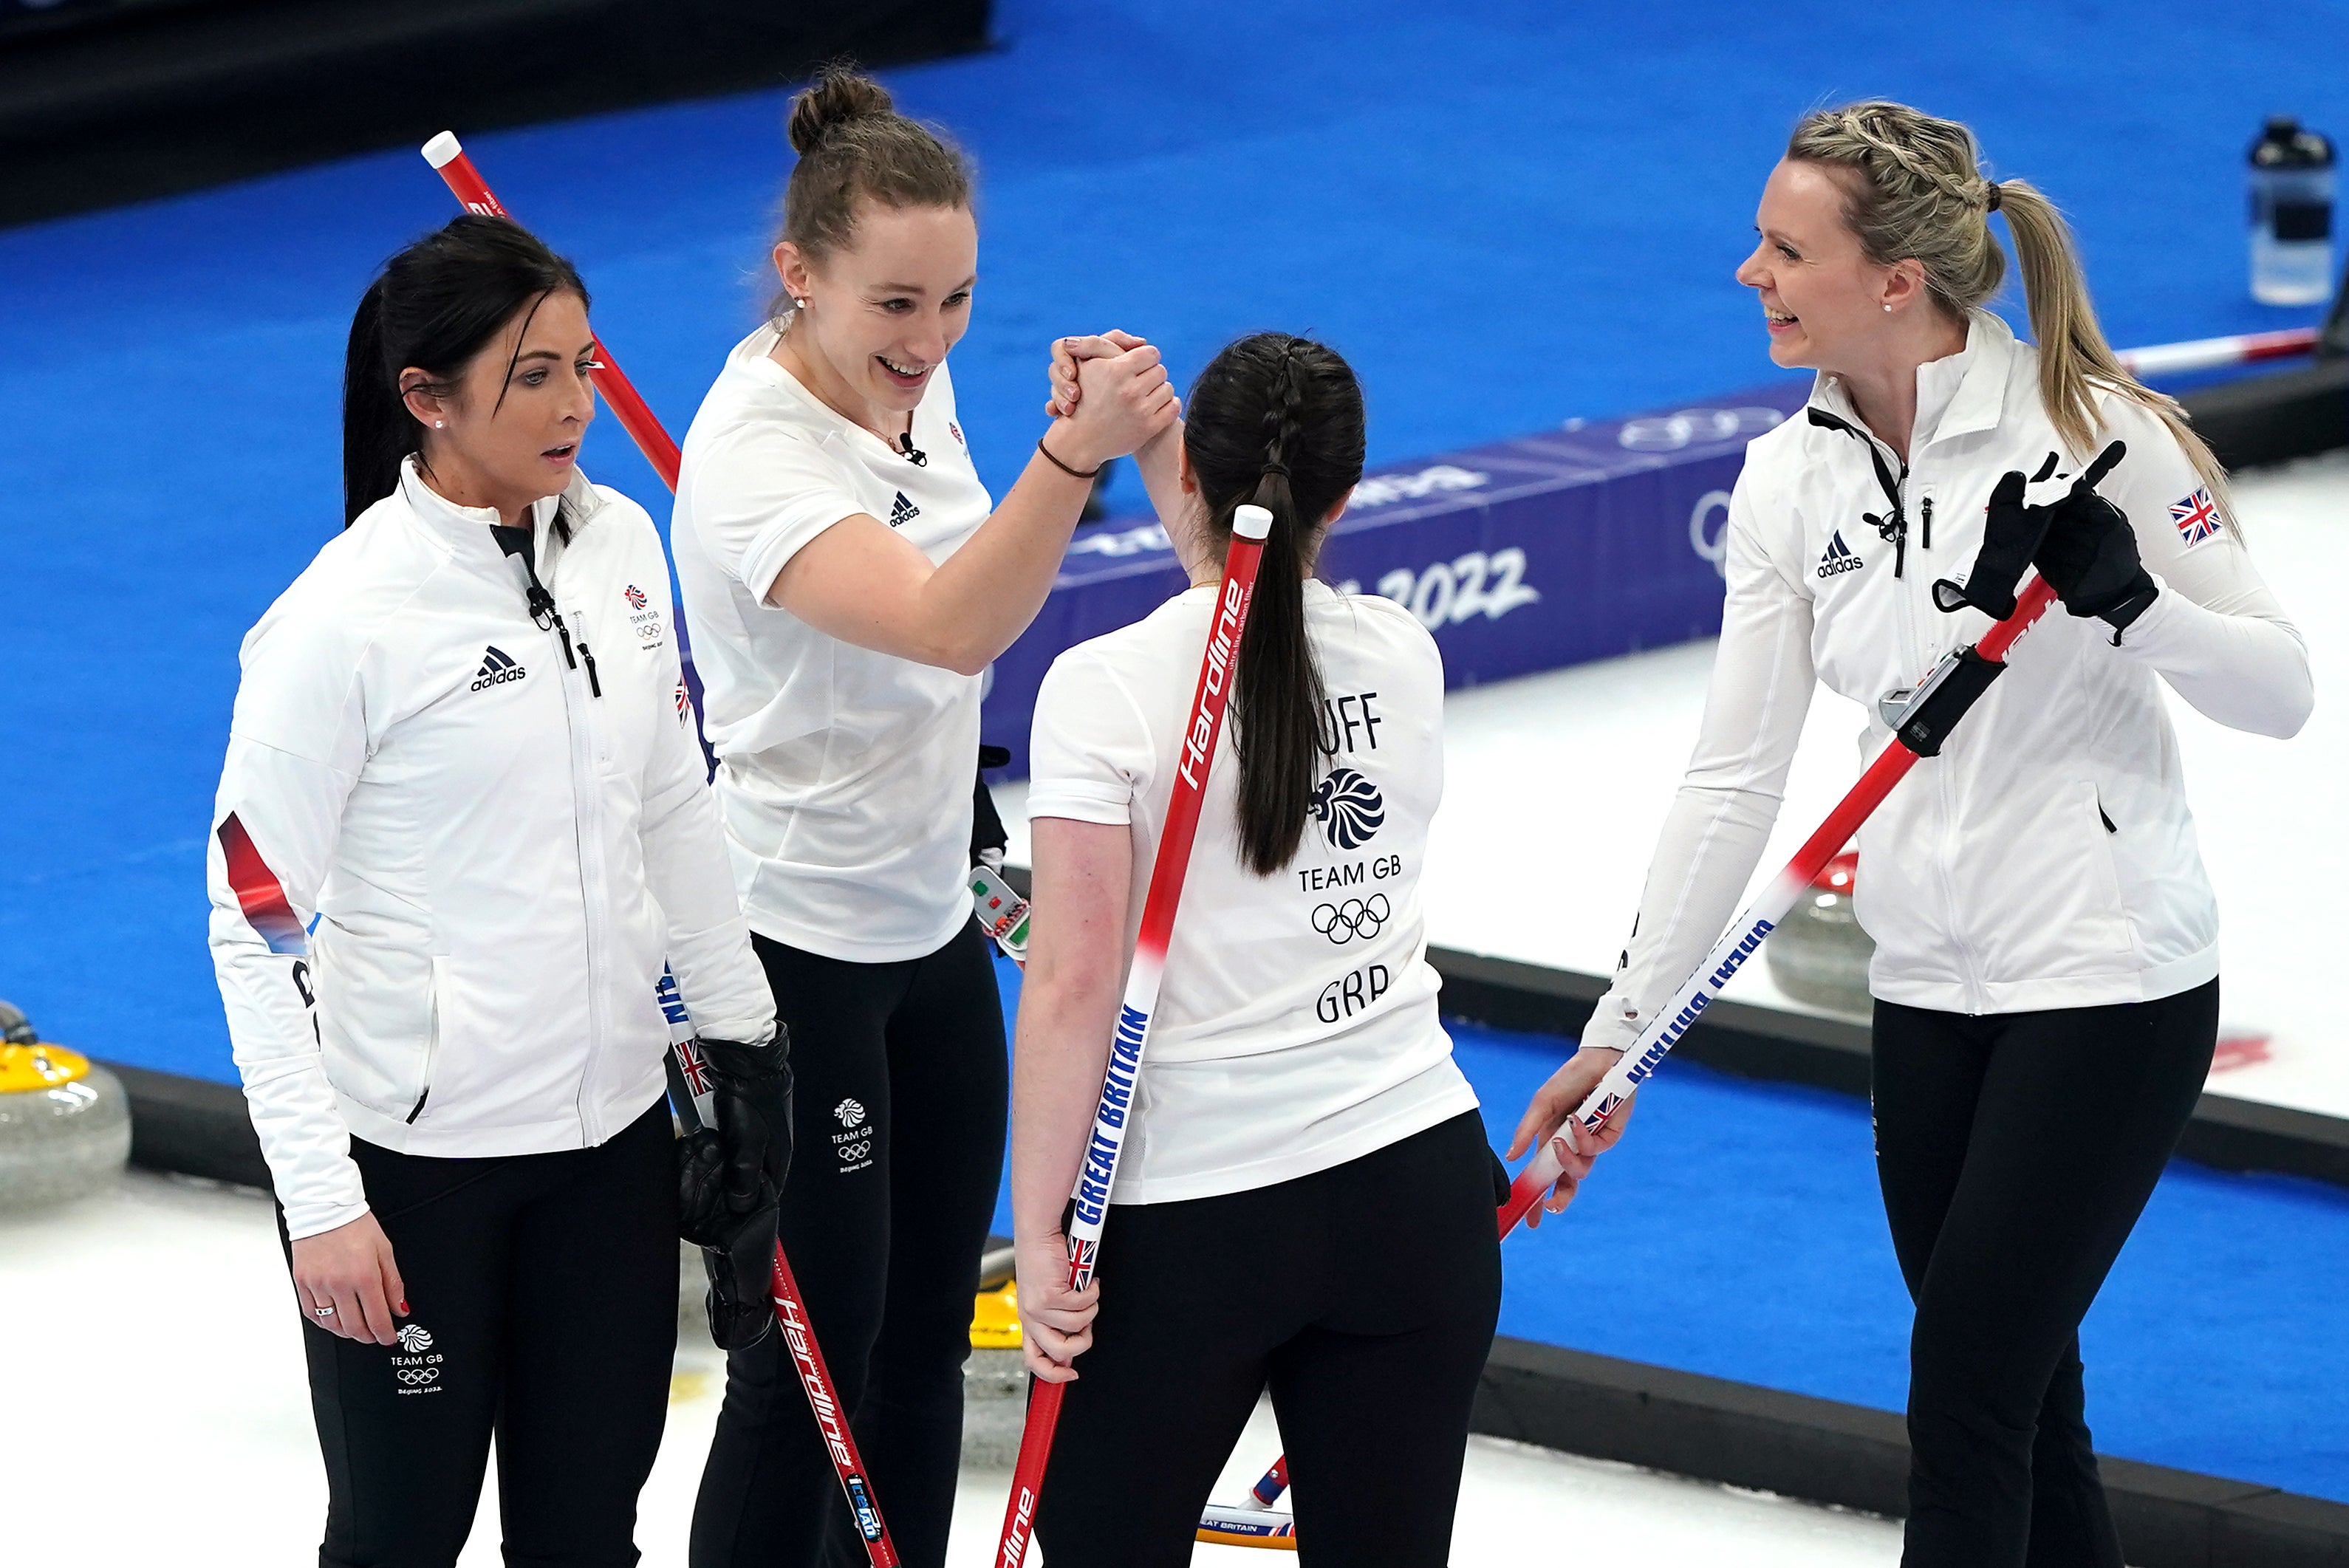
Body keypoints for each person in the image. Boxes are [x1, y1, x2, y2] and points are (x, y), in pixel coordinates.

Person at [1509, 102, 2314, 1568]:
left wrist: (2132, 602)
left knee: (1965, 1396)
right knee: (2023, 1393)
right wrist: (1624, 1029)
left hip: (2106, 980)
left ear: (1895, 281)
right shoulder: (1787, 476)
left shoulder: (2100, 439)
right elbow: (1732, 776)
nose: (1750, 270)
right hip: (1926, 987)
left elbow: (2283, 695)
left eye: (1784, 246)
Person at [205, 213, 784, 1568]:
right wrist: (324, 1201)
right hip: (416, 1179)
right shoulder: (340, 623)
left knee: (587, 1537)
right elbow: (254, 920)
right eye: (534, 375)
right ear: (425, 398)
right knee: (399, 1538)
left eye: (583, 364)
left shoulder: (626, 546)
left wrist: (750, 1046)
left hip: (611, 1154)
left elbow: (673, 806)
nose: (577, 403)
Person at [669, 66, 1174, 1568]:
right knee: (806, 1365)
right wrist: (1074, 457)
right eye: (897, 305)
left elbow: (963, 564)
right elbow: (955, 624)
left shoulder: (908, 373)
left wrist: (1060, 441)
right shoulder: (757, 460)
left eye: (956, 302)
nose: (931, 341)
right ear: (799, 277)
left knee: (920, 1345)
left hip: (927, 925)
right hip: (794, 945)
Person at [1011, 332, 1540, 1567]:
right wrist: (1165, 444)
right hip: (1413, 1187)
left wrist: (1040, 1240)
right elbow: (1245, 581)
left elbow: (1074, 985)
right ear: (1347, 498)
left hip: (1198, 1220)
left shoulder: (1104, 687)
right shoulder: (1402, 652)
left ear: (1190, 468)